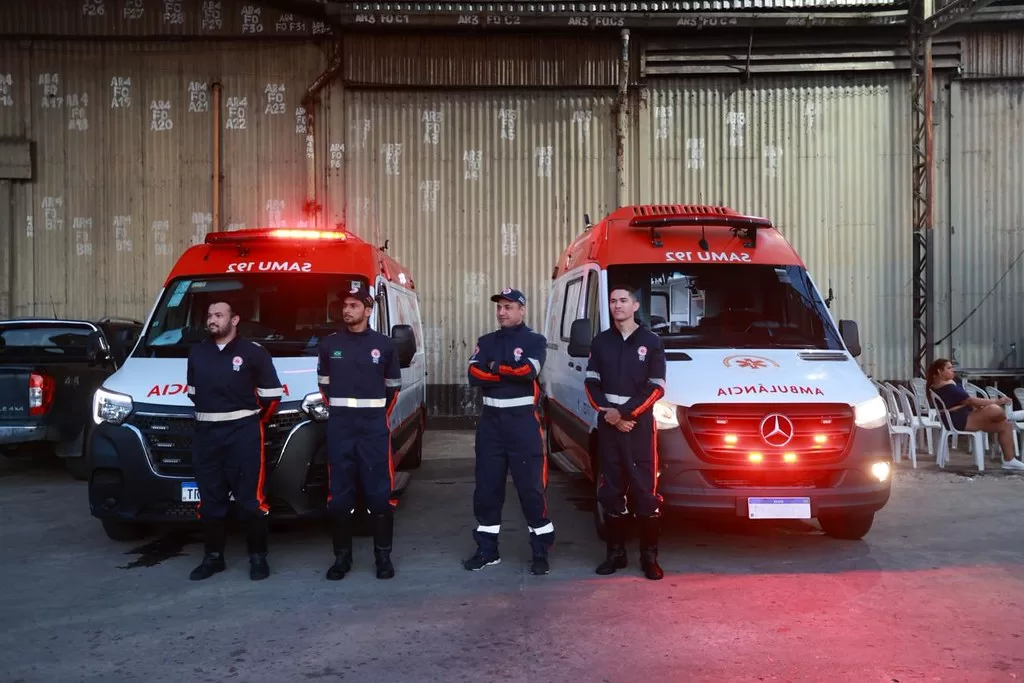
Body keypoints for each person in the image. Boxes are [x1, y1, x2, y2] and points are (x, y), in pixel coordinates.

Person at [186, 298, 284, 581]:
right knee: (210, 500)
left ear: (235, 320)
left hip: (242, 435)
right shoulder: (197, 353)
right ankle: (213, 558)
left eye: (219, 315)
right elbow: (193, 393)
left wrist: (247, 422)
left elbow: (271, 398)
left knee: (250, 500)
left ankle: (258, 558)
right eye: (209, 315)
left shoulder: (254, 353)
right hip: (206, 435)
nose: (212, 320)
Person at [463, 287, 554, 575]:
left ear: (522, 310)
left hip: (522, 424)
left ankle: (540, 551)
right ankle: (487, 550)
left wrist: (493, 368)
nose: (502, 312)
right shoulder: (486, 341)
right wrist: (504, 370)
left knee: (531, 489)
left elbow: (528, 372)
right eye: (499, 307)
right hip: (491, 424)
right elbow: (473, 375)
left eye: (508, 307)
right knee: (487, 489)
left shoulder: (535, 341)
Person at [318, 282, 403, 580]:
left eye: (353, 305)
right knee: (340, 498)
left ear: (368, 311)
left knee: (379, 496)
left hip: (373, 430)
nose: (347, 310)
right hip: (340, 430)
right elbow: (324, 387)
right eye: (344, 305)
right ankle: (342, 558)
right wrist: (343, 416)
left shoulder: (385, 345)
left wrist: (375, 417)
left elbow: (393, 389)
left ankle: (383, 558)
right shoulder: (329, 345)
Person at [584, 285, 668, 580]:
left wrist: (626, 414)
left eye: (622, 300)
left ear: (635, 306)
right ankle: (615, 554)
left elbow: (656, 386)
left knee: (645, 491)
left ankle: (649, 558)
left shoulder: (651, 342)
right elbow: (591, 383)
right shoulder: (601, 342)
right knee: (610, 490)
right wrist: (611, 415)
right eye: (612, 301)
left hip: (639, 428)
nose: (617, 305)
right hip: (609, 427)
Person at [927, 358, 1024, 471]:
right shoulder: (946, 386)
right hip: (959, 420)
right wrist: (997, 401)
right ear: (940, 371)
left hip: (962, 417)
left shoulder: (942, 384)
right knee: (994, 408)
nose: (952, 370)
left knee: (1006, 424)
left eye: (952, 367)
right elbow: (970, 400)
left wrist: (981, 407)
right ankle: (1011, 415)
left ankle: (1009, 460)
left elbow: (965, 401)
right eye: (949, 368)